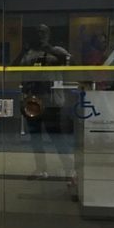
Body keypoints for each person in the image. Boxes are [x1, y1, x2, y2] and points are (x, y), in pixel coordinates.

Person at [18, 24, 73, 180]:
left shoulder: (57, 51)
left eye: (43, 32)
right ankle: (41, 169)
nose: (40, 35)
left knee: (56, 136)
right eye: (38, 32)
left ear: (49, 34)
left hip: (51, 100)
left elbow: (70, 62)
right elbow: (17, 69)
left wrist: (49, 50)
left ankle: (69, 169)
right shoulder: (29, 54)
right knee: (35, 138)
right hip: (33, 99)